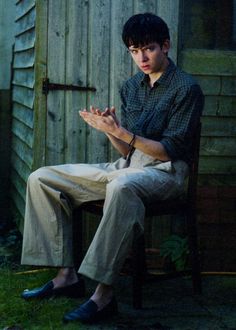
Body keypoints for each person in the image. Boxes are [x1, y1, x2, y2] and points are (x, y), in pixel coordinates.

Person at [20, 13, 204, 323]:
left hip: (168, 172)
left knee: (122, 186)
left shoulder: (186, 88)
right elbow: (128, 149)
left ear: (166, 46)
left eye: (148, 48)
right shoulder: (132, 87)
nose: (141, 57)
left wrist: (122, 134)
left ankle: (104, 294)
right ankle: (67, 275)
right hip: (128, 165)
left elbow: (167, 150)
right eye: (134, 51)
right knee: (42, 178)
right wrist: (109, 128)